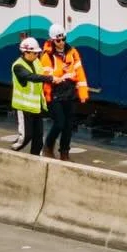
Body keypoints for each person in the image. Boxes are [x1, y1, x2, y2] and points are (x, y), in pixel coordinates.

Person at [42, 23, 89, 161]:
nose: (61, 42)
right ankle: (48, 145)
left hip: (69, 93)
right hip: (55, 94)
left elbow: (80, 73)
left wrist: (83, 93)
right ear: (52, 40)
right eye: (58, 40)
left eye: (63, 39)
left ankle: (64, 153)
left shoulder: (73, 52)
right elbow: (47, 77)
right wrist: (63, 72)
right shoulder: (47, 56)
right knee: (59, 123)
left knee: (69, 125)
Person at [8, 36, 52, 155]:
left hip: (36, 106)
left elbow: (42, 73)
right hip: (24, 107)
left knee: (38, 136)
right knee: (26, 136)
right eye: (35, 53)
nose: (37, 55)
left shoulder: (36, 62)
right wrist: (49, 78)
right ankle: (11, 153)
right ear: (26, 52)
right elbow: (30, 77)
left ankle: (36, 158)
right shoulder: (18, 66)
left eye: (38, 53)